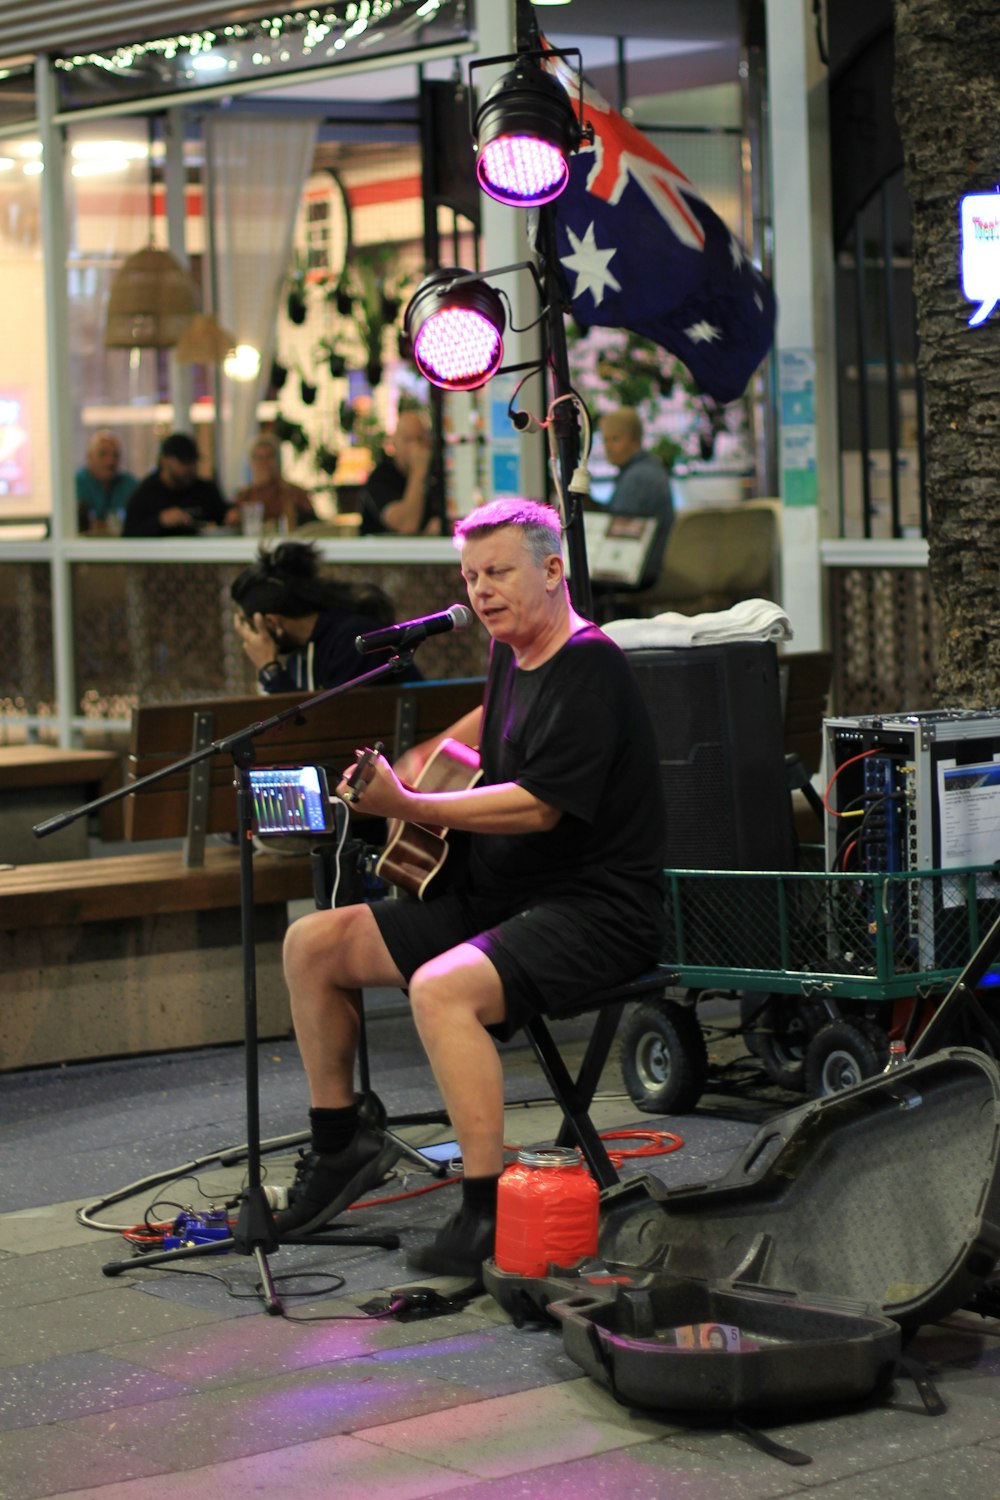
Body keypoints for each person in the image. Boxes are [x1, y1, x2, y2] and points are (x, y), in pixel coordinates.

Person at [272, 498, 667, 1283]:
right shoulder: (512, 651)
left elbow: (539, 804)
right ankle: (342, 1141)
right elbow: (493, 716)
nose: (481, 591)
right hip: (497, 898)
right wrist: (421, 758)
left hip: (594, 910)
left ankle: (485, 1209)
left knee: (440, 990)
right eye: (471, 576)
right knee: (312, 944)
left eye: (498, 573)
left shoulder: (591, 664)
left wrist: (413, 807)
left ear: (554, 571)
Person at [231, 538, 420, 693]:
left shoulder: (354, 638)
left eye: (250, 627)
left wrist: (269, 667)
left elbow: (325, 724)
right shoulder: (300, 652)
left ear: (271, 621)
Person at [598, 407, 675, 590]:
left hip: (640, 572)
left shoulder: (636, 478)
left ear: (636, 440)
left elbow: (617, 532)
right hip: (654, 566)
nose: (608, 447)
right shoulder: (652, 468)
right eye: (605, 440)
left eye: (615, 439)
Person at [123, 432, 238, 537]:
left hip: (201, 555)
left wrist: (233, 515)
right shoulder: (146, 493)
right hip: (158, 557)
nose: (190, 468)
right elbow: (128, 533)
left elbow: (224, 517)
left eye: (193, 461)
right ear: (164, 461)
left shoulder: (205, 490)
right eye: (184, 461)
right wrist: (160, 521)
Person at [358, 407, 444, 537]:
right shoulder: (380, 478)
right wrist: (418, 471)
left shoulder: (435, 474)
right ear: (395, 442)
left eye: (420, 439)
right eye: (408, 440)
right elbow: (407, 525)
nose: (415, 447)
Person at [232, 433, 315, 532]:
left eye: (269, 457)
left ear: (276, 461)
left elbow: (312, 526)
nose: (264, 463)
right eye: (259, 458)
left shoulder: (293, 492)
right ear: (252, 462)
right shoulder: (244, 496)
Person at [75, 429, 136, 533]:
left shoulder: (129, 484)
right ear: (89, 456)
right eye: (103, 454)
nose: (111, 461)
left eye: (115, 455)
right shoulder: (75, 484)